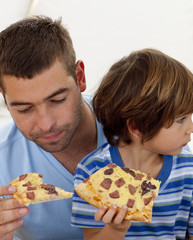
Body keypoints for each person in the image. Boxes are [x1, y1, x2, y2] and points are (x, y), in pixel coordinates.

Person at [71, 48, 193, 240]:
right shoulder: (92, 172)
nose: (192, 128)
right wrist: (115, 230)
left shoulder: (191, 171)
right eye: (181, 119)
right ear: (137, 127)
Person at [0, 16, 108, 239]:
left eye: (58, 100)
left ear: (79, 77)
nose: (46, 124)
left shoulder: (138, 126)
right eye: (24, 109)